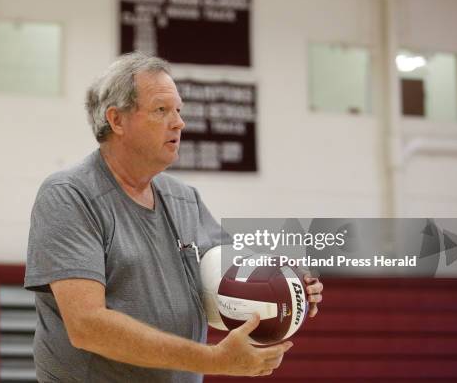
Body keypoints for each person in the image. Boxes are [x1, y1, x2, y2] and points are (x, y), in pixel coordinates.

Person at [24, 52, 324, 382]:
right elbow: (87, 326)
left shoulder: (185, 199)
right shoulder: (69, 195)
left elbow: (230, 281)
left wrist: (288, 284)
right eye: (161, 110)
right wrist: (214, 359)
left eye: (179, 110)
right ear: (117, 120)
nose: (179, 122)